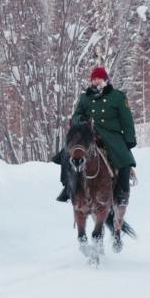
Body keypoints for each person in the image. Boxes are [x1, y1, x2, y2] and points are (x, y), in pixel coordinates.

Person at [55, 66, 137, 206]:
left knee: (124, 158)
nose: (96, 81)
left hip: (111, 135)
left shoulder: (117, 97)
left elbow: (127, 120)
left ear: (105, 79)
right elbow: (76, 115)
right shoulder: (85, 97)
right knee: (66, 154)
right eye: (93, 79)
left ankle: (122, 193)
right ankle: (67, 187)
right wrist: (79, 120)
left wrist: (129, 140)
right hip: (89, 135)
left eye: (99, 78)